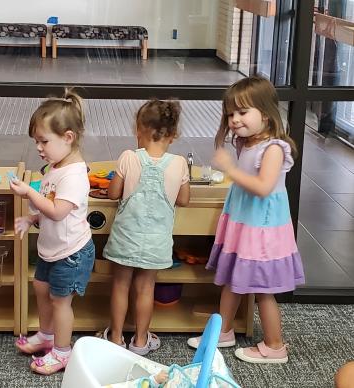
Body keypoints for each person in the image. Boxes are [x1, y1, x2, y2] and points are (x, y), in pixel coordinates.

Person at [187, 76, 305, 363]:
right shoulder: (246, 143)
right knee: (232, 279)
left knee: (262, 291)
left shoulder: (274, 148)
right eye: (230, 113)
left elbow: (264, 186)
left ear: (265, 113)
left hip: (262, 231)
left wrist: (229, 168)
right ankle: (223, 331)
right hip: (244, 225)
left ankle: (275, 347)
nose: (234, 119)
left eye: (242, 112)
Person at [10, 89, 95, 375]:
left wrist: (28, 195)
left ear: (68, 137)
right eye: (36, 141)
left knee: (60, 302)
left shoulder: (74, 174)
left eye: (44, 141)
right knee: (41, 288)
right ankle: (46, 336)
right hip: (53, 247)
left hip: (71, 253)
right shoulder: (55, 167)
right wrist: (32, 219)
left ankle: (62, 352)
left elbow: (58, 211)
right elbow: (52, 211)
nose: (38, 148)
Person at [101, 99, 190, 355]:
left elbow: (112, 193)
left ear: (139, 130)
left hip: (125, 237)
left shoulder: (129, 157)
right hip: (157, 241)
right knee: (145, 288)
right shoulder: (179, 163)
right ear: (172, 135)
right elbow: (183, 199)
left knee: (120, 285)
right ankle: (140, 341)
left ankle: (116, 338)